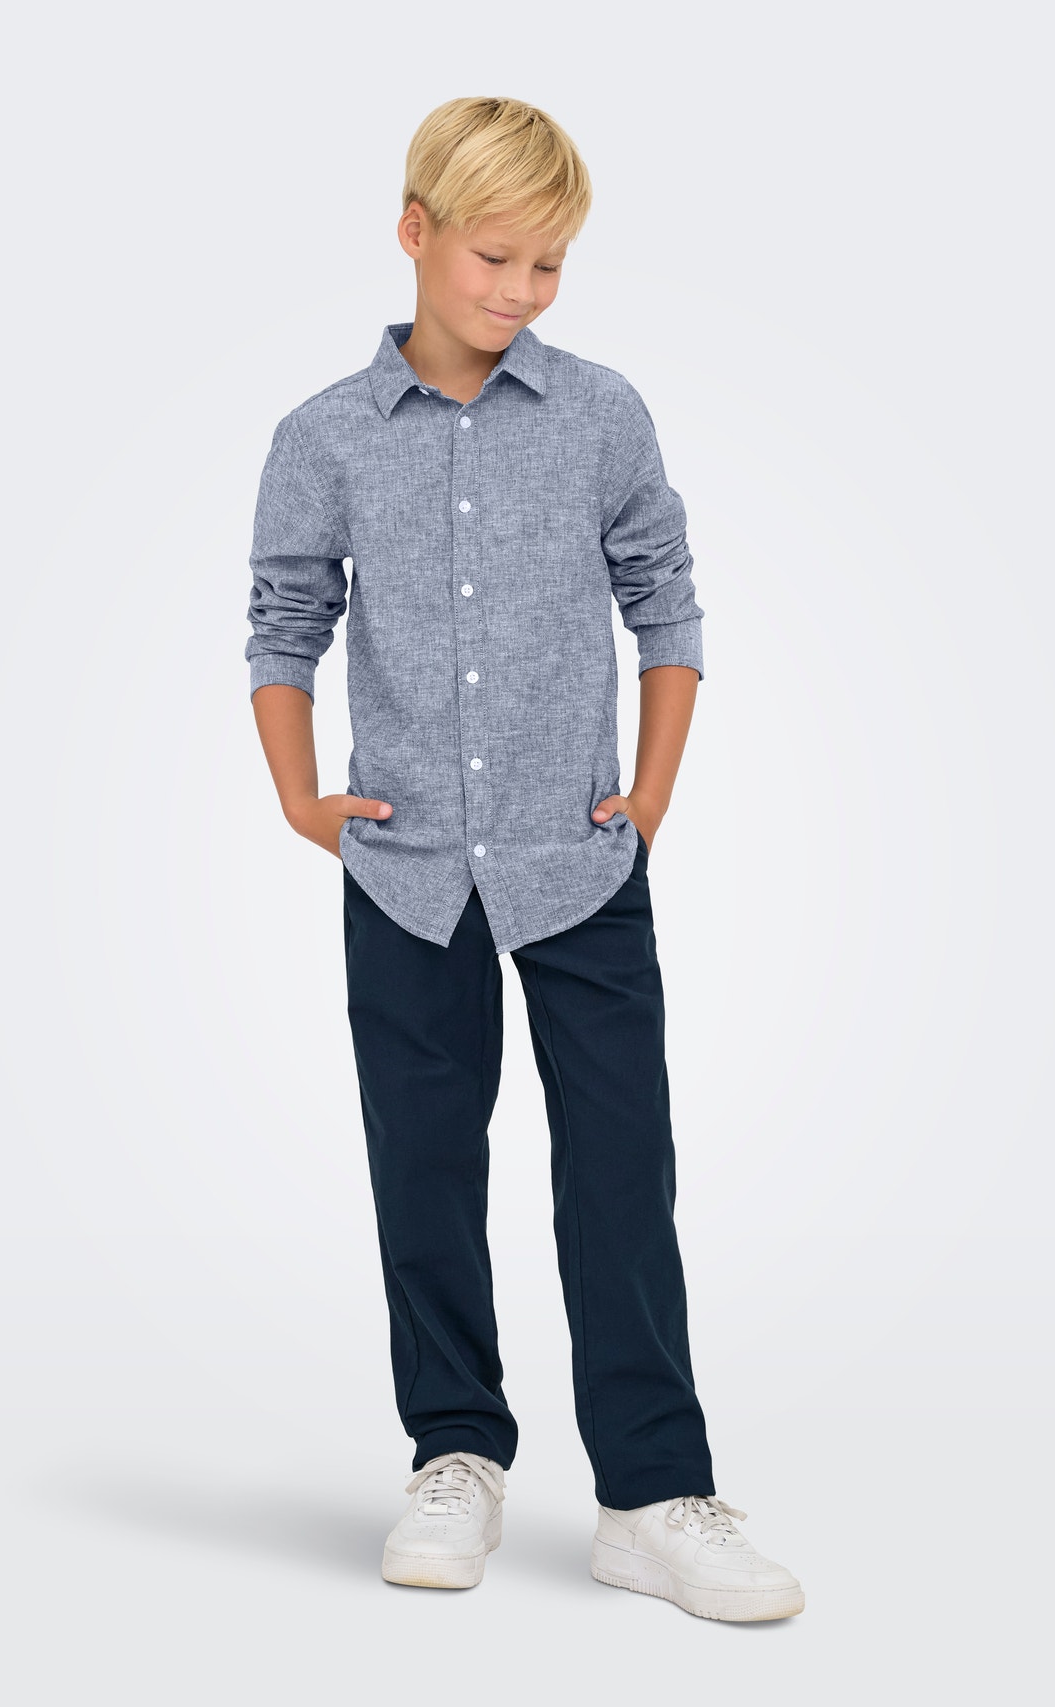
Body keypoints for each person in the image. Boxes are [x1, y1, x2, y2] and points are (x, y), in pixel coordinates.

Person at [244, 94, 804, 1624]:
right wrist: (300, 800)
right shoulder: (325, 436)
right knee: (424, 1166)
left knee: (621, 1168)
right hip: (405, 866)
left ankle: (654, 1494)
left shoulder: (603, 414)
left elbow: (665, 601)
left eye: (549, 265)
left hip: (581, 856)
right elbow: (285, 621)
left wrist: (652, 797)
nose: (520, 290)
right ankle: (455, 1454)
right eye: (495, 256)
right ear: (414, 231)